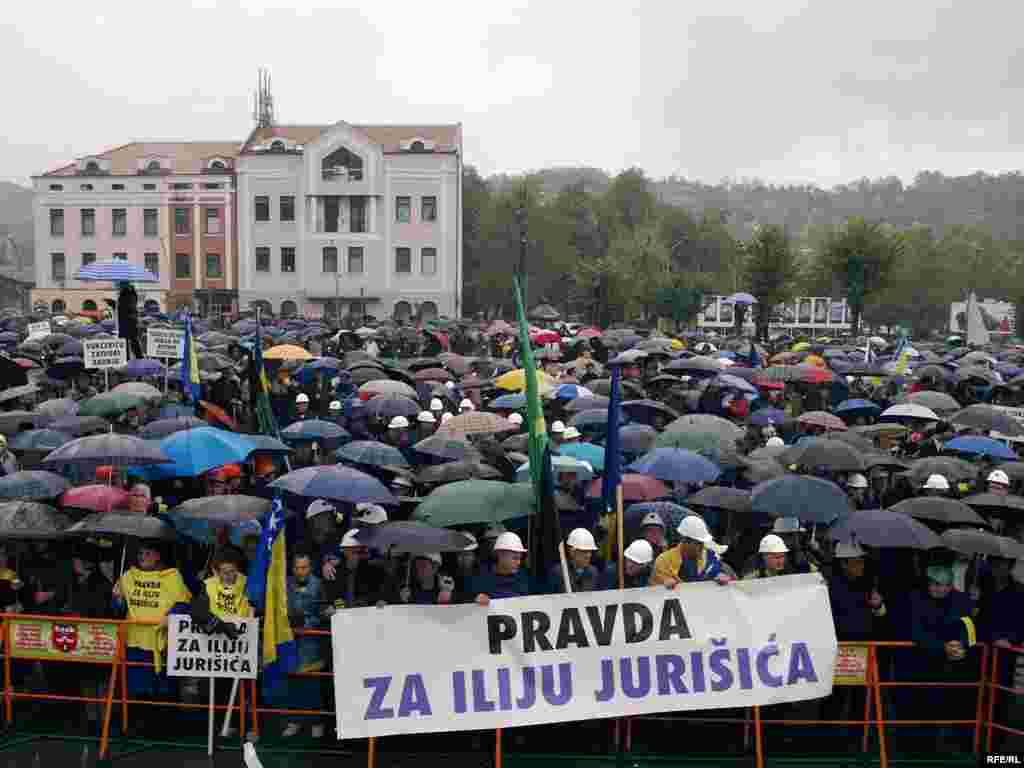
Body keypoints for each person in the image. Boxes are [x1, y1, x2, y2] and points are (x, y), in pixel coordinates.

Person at [112, 540, 191, 726]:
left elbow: (183, 604)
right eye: (140, 553)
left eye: (147, 553)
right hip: (136, 641)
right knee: (137, 686)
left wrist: (171, 616)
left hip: (162, 641)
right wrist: (117, 599)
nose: (142, 557)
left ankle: (166, 726)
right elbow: (118, 610)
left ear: (158, 555)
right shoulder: (128, 576)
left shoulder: (173, 576)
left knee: (164, 688)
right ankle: (138, 725)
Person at [281, 552, 325, 738]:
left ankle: (317, 723)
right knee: (293, 683)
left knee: (312, 685)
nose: (301, 571)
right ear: (293, 568)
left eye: (304, 567)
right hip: (290, 640)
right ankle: (294, 721)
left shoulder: (319, 585)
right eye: (298, 567)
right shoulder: (285, 583)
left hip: (311, 641)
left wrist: (306, 623)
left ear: (310, 567)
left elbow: (324, 611)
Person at [651, 516, 733, 587]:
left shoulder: (709, 556)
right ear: (685, 540)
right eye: (698, 543)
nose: (702, 547)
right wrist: (665, 584)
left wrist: (721, 576)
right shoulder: (663, 561)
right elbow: (654, 591)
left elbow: (717, 571)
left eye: (702, 543)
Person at [470, 532, 530, 604]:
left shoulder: (523, 577)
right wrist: (477, 598)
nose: (518, 563)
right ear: (501, 555)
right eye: (515, 558)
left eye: (520, 558)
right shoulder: (481, 576)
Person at [550, 528, 600, 593]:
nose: (588, 555)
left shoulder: (593, 572)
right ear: (572, 552)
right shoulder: (559, 572)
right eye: (584, 551)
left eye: (590, 551)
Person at [117, 282, 143, 359]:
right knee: (133, 340)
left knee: (128, 341)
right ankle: (138, 357)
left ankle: (127, 358)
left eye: (120, 286)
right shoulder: (132, 294)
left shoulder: (126, 295)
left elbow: (126, 308)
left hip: (126, 321)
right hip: (131, 321)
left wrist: (116, 304)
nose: (119, 288)